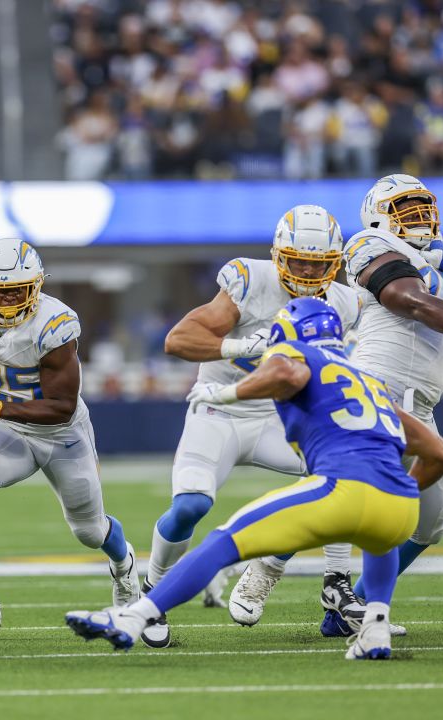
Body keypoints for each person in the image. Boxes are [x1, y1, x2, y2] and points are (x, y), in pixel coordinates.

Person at [65, 297, 443, 659]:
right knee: (379, 537)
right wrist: (399, 489)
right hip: (399, 508)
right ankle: (375, 627)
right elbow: (440, 453)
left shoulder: (297, 353)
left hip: (344, 489)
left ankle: (133, 617)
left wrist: (226, 394)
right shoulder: (370, 381)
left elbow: (287, 369)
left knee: (222, 541)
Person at [238, 174, 443, 638]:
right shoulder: (369, 243)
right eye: (407, 208)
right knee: (347, 492)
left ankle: (349, 603)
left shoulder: (439, 254)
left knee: (429, 525)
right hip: (380, 386)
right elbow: (413, 303)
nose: (421, 217)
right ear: (380, 213)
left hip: (420, 400)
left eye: (424, 207)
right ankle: (277, 566)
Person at [148, 205, 360, 648]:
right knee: (190, 506)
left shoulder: (343, 302)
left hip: (279, 419)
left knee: (341, 476)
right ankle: (150, 592)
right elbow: (178, 339)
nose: (304, 271)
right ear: (278, 255)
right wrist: (242, 345)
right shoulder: (250, 280)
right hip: (219, 410)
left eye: (317, 263)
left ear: (334, 263)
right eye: (296, 259)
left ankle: (274, 570)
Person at [0, 239, 139, 628]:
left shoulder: (55, 326)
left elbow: (63, 406)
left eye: (16, 292)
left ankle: (124, 563)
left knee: (89, 531)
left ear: (36, 287)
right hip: (11, 427)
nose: (6, 302)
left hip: (62, 435)